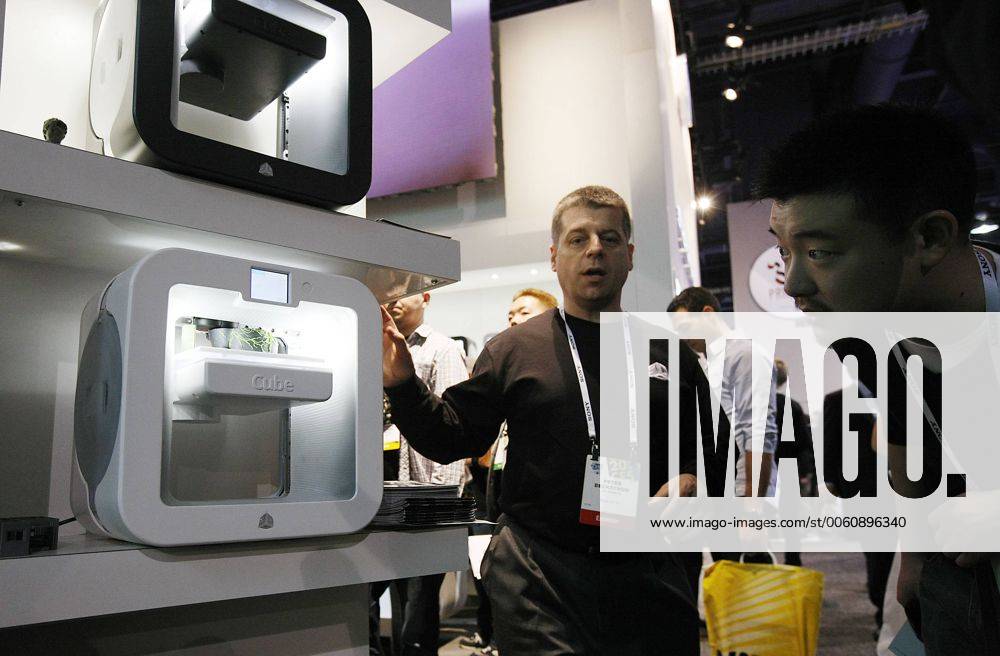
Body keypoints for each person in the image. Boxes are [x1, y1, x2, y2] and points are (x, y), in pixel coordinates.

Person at [382, 185, 700, 655]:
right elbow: (453, 435)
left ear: (629, 255)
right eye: (578, 239)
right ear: (554, 257)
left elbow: (709, 447)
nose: (594, 249)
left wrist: (689, 477)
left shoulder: (670, 353)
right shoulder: (513, 350)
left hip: (647, 571)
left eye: (609, 239)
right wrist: (403, 382)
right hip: (540, 577)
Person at [757, 103, 1000, 655]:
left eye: (819, 252)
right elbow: (902, 433)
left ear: (930, 238)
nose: (794, 283)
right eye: (782, 250)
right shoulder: (862, 334)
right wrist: (912, 554)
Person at [461, 287, 559, 655]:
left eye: (523, 311)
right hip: (502, 510)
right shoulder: (504, 369)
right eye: (509, 314)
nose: (513, 319)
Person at [371, 292, 469, 656]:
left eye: (405, 293)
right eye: (389, 294)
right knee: (394, 593)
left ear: (426, 297)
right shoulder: (373, 346)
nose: (395, 300)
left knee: (420, 600)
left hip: (428, 495)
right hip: (388, 490)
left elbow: (451, 429)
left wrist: (444, 506)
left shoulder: (441, 349)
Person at [667, 287, 780, 498]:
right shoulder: (708, 364)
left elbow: (758, 433)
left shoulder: (744, 355)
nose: (683, 338)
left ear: (708, 314)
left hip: (744, 492)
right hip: (720, 489)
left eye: (685, 327)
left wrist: (752, 506)